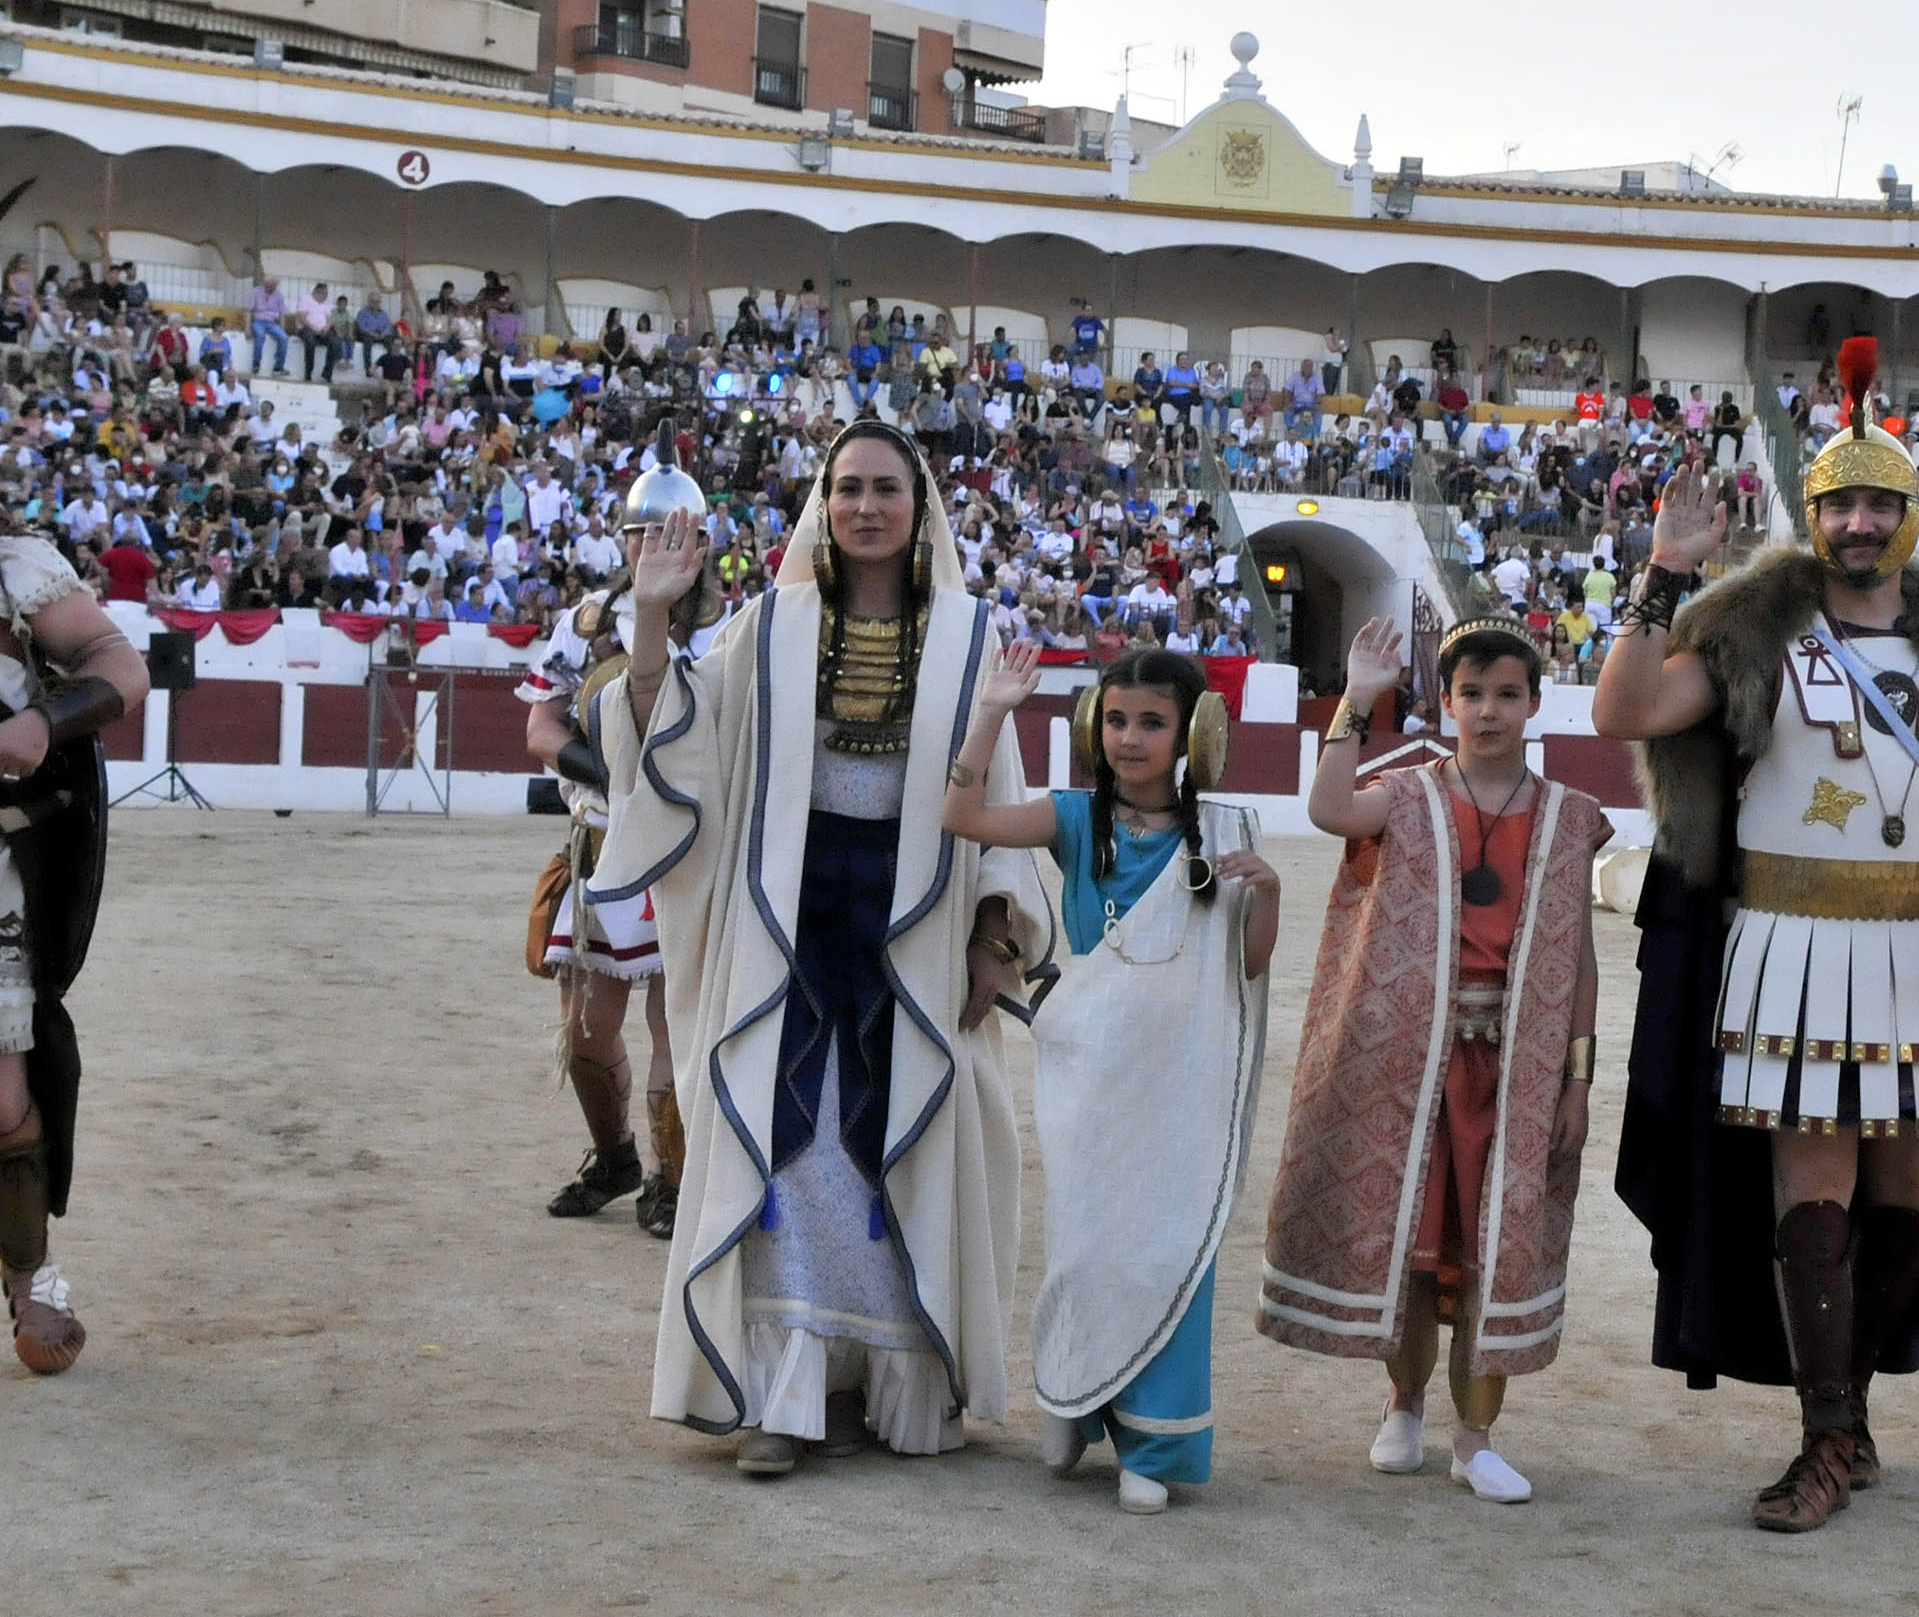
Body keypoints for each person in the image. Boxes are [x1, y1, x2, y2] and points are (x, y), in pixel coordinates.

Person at [1593, 337, 1919, 1533]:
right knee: (1814, 1189)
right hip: (1790, 944)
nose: (1856, 520)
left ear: (1907, 514)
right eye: (1838, 501)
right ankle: (1823, 1439)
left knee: (1912, 1190)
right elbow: (1628, 709)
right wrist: (1661, 572)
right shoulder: (1754, 636)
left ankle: (1844, 1412)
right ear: (1812, 513)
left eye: (1877, 502)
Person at [589, 419, 1055, 1475]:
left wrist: (991, 932)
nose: (864, 506)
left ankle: (890, 1386)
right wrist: (653, 613)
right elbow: (679, 749)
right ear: (823, 502)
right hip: (786, 923)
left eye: (885, 487)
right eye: (846, 487)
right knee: (790, 1142)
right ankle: (785, 1398)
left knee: (902, 1146)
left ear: (918, 502)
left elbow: (1003, 786)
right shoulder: (769, 626)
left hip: (917, 930)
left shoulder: (973, 634)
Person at [1259, 614, 1609, 1505]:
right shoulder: (1408, 794)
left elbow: (1578, 956)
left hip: (1516, 1065)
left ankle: (1476, 1435)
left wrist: (1576, 1078)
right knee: (1415, 1244)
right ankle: (1403, 1406)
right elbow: (1329, 810)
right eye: (1470, 695)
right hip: (1410, 1063)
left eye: (1505, 695)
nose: (1488, 712)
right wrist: (1357, 699)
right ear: (1444, 703)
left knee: (1493, 1247)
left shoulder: (1570, 819)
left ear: (1535, 704)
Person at [940, 646, 1278, 1515]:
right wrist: (992, 711)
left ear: (1193, 734)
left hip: (1180, 1087)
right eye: (1117, 719)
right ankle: (1076, 1402)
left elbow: (1245, 967)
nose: (1129, 739)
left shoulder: (1230, 833)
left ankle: (1153, 1448)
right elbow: (960, 815)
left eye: (1152, 723)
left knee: (1169, 1249)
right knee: (1088, 1249)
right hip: (1090, 1077)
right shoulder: (1072, 819)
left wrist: (1267, 896)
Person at [517, 430, 721, 1238]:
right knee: (587, 1027)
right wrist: (609, 770)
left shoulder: (729, 629)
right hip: (600, 839)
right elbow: (539, 724)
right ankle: (616, 1158)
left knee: (675, 1022)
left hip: (687, 847)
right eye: (642, 534)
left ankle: (671, 1181)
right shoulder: (587, 619)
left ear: (701, 543)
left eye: (673, 535)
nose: (656, 548)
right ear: (623, 539)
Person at [0, 530, 150, 1373]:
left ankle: (29, 1274)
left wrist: (39, 719)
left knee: (2, 1091)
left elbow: (118, 665)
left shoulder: (13, 565)